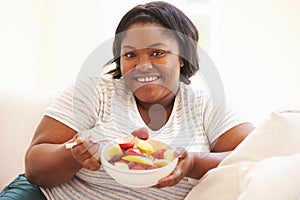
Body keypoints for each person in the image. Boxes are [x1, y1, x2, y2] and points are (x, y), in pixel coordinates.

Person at [0, 1, 254, 199]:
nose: (143, 65)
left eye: (158, 52)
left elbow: (255, 155)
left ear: (182, 58)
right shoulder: (94, 92)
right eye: (130, 55)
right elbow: (34, 169)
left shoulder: (206, 106)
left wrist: (195, 163)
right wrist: (73, 155)